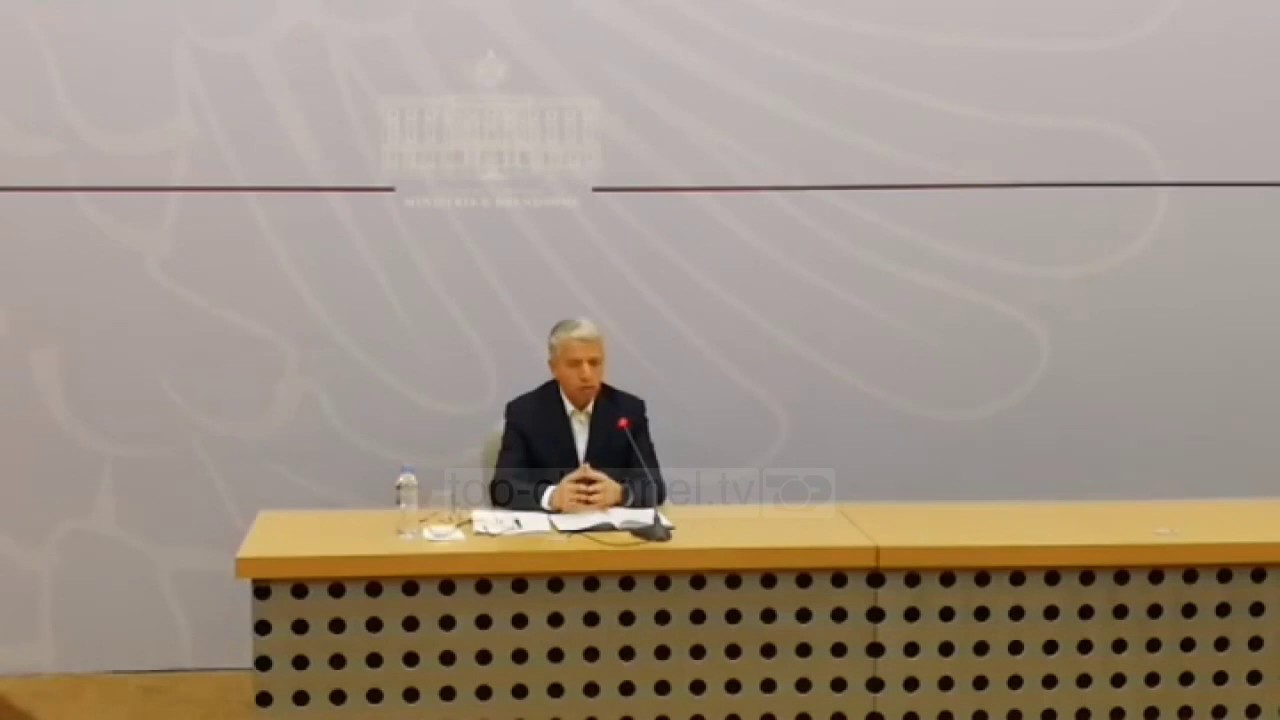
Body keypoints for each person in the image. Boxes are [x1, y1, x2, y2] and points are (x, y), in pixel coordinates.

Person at [489, 318, 666, 512]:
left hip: (609, 526)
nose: (586, 374)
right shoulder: (524, 412)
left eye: (594, 363)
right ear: (553, 368)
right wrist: (551, 496)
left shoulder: (628, 411)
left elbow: (655, 486)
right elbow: (502, 488)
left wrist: (621, 493)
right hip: (551, 528)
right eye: (574, 364)